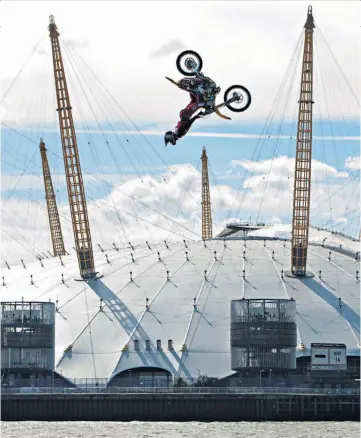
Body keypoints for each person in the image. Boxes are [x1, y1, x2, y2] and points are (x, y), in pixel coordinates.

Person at [165, 75, 220, 146]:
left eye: (171, 141)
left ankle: (209, 93)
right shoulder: (177, 132)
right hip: (184, 114)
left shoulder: (179, 134)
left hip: (186, 115)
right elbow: (187, 124)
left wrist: (196, 116)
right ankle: (197, 86)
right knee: (194, 100)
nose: (173, 141)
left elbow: (188, 124)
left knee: (200, 103)